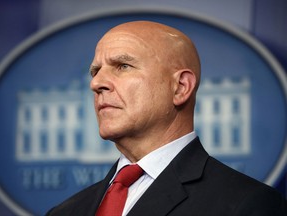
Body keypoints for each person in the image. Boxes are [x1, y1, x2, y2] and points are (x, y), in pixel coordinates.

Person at [46, 21, 287, 216]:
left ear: (181, 87)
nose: (96, 83)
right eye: (95, 71)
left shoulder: (247, 205)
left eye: (123, 66)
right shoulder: (64, 212)